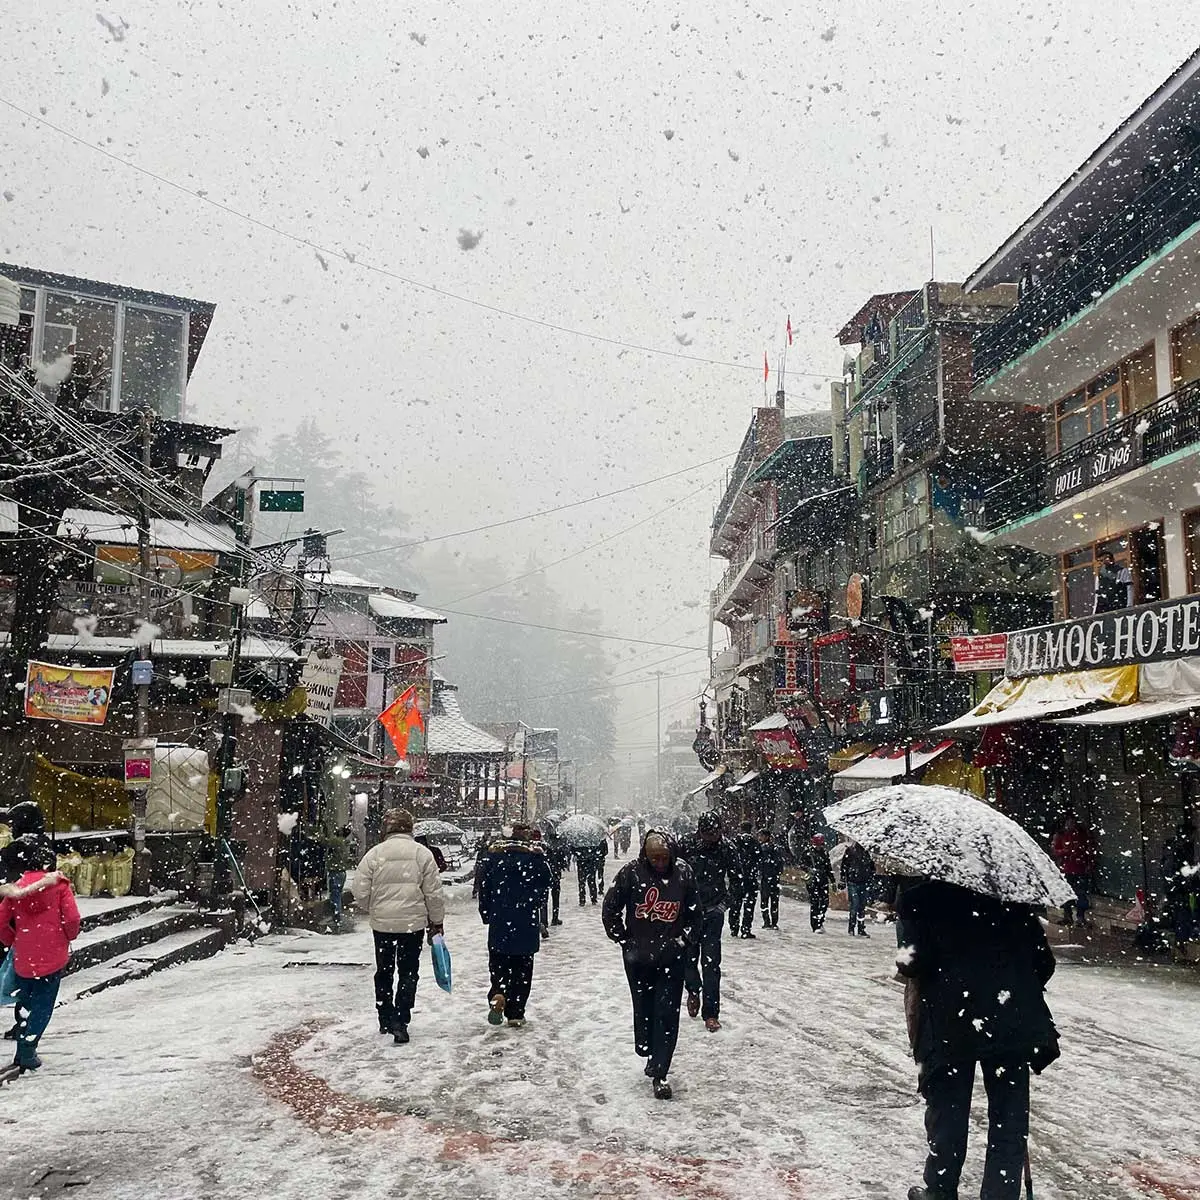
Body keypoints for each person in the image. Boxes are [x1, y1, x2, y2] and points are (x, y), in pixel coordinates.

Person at [897, 880, 1060, 1200]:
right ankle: (1000, 1193)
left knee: (948, 1110)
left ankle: (940, 1190)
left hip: (950, 1022)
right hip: (1009, 1021)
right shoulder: (1014, 900)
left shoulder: (921, 898)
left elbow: (911, 964)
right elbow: (1044, 963)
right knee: (1009, 1118)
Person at [602, 831, 700, 1100]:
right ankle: (647, 1048)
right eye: (654, 858)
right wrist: (624, 939)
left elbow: (694, 913)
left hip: (672, 956)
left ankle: (661, 1069)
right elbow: (610, 908)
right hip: (639, 958)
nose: (659, 863)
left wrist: (684, 940)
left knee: (667, 1013)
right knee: (644, 1007)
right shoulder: (630, 873)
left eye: (664, 858)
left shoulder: (683, 874)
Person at [352, 808, 445, 1045]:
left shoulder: (375, 854)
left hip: (382, 925)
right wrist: (436, 921)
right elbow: (433, 894)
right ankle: (401, 1020)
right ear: (410, 828)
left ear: (387, 829)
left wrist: (374, 907)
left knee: (384, 971)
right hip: (412, 924)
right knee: (408, 971)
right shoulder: (422, 854)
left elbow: (359, 890)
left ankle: (384, 1016)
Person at [0, 843, 80, 1075]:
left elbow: (1, 920)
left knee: (25, 1001)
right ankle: (27, 1049)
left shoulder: (15, 891)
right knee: (43, 1004)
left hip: (24, 954)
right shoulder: (60, 887)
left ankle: (23, 1041)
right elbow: (72, 919)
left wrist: (10, 939)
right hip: (53, 953)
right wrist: (67, 935)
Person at [479, 824, 552, 1028]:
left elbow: (483, 887)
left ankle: (498, 992)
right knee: (523, 969)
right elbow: (547, 883)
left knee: (498, 964)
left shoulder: (494, 858)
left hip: (500, 920)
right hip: (525, 921)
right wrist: (535, 902)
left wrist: (487, 914)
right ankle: (516, 1012)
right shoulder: (535, 859)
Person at [678, 812, 738, 1032]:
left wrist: (725, 904)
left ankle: (711, 1013)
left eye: (716, 833)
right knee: (687, 958)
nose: (712, 838)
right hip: (688, 912)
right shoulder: (686, 844)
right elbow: (672, 873)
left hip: (713, 912)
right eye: (707, 834)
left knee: (711, 964)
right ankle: (693, 990)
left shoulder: (727, 848)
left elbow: (738, 879)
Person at [1050, 815, 1096, 927]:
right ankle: (1068, 916)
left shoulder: (1081, 835)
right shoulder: (1060, 835)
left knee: (1081, 894)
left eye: (1073, 822)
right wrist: (1065, 851)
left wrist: (1089, 864)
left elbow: (1088, 850)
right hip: (1067, 869)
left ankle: (1080, 917)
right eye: (1069, 822)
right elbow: (1055, 851)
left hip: (1080, 869)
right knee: (1068, 894)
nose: (1071, 825)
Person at [320, 822, 355, 928]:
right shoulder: (344, 842)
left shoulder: (337, 841)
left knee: (334, 895)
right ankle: (337, 915)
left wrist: (322, 831)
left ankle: (336, 916)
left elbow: (323, 842)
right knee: (337, 894)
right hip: (341, 871)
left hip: (335, 871)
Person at [729, 821, 760, 939]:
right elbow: (759, 859)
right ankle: (746, 929)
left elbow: (730, 859)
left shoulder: (734, 842)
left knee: (735, 904)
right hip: (750, 879)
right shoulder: (755, 843)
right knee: (749, 905)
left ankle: (734, 928)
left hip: (737, 878)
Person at [841, 838, 874, 937]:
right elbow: (844, 866)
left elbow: (871, 867)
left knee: (861, 906)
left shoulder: (867, 853)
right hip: (853, 882)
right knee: (855, 905)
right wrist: (844, 879)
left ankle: (860, 928)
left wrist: (870, 875)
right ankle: (852, 927)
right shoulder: (850, 851)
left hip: (863, 882)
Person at [806, 834, 833, 933]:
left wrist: (832, 880)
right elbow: (801, 864)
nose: (819, 846)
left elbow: (828, 867)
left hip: (823, 880)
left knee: (824, 903)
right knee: (815, 903)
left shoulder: (824, 853)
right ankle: (815, 925)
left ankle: (820, 921)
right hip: (813, 881)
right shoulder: (808, 853)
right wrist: (809, 869)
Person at [757, 829, 783, 931]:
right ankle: (774, 922)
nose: (760, 838)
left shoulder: (761, 849)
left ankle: (767, 921)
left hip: (766, 878)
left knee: (765, 901)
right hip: (774, 879)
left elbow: (759, 863)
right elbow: (780, 864)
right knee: (774, 901)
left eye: (761, 836)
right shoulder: (776, 849)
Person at [1093, 549, 1131, 614]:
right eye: (1101, 560)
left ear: (1112, 560)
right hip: (1103, 608)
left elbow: (1129, 588)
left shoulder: (1122, 571)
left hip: (1119, 606)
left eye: (1106, 559)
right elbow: (1097, 594)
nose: (1104, 562)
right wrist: (1095, 611)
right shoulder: (1099, 576)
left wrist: (1129, 606)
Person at [544, 832, 569, 926]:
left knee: (544, 899)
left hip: (546, 875)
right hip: (555, 874)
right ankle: (555, 918)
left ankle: (544, 920)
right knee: (555, 897)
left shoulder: (545, 848)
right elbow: (563, 863)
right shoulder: (559, 848)